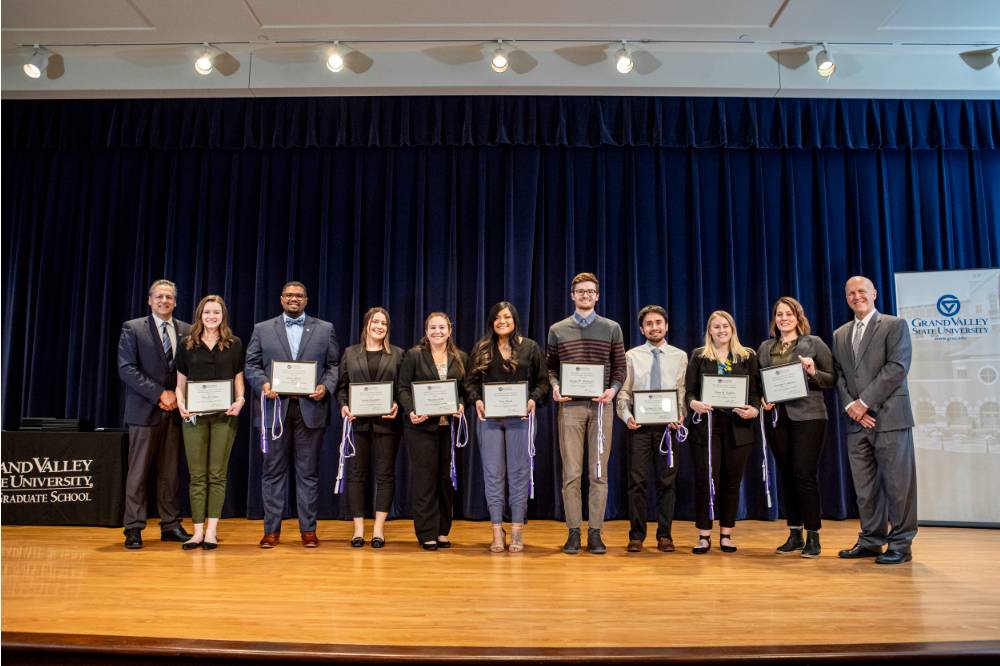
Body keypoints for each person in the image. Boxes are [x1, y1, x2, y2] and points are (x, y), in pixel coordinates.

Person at [245, 281, 339, 548]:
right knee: (272, 472)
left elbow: (333, 365)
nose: (294, 299)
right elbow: (251, 364)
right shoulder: (262, 329)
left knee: (308, 473)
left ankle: (308, 530)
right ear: (281, 299)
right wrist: (263, 384)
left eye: (299, 295)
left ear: (306, 300)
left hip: (311, 410)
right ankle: (271, 531)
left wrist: (326, 387)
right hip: (275, 410)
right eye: (289, 295)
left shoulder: (325, 329)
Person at [831, 276, 917, 565]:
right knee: (865, 488)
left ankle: (901, 544)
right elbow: (839, 374)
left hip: (890, 418)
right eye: (850, 293)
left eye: (862, 291)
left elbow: (897, 368)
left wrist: (864, 403)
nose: (856, 296)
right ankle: (871, 541)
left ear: (874, 294)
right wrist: (850, 406)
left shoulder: (894, 325)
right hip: (856, 422)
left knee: (899, 486)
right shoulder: (840, 334)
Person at [547, 272, 627, 555]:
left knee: (598, 473)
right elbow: (551, 367)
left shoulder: (611, 328)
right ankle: (573, 532)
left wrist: (613, 391)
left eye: (590, 291)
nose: (585, 295)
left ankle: (595, 532)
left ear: (597, 296)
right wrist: (555, 386)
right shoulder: (558, 329)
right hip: (570, 407)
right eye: (580, 291)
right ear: (572, 295)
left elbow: (620, 368)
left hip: (601, 407)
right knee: (571, 473)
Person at [465, 301, 548, 553]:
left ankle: (516, 530)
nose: (503, 321)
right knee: (493, 474)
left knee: (519, 473)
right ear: (492, 322)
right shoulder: (481, 348)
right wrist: (477, 400)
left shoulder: (530, 347)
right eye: (498, 317)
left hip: (520, 419)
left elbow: (542, 382)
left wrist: (533, 399)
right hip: (489, 420)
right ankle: (496, 529)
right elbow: (469, 383)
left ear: (515, 320)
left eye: (507, 317)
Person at [757, 297, 835, 558]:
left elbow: (831, 379)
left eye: (789, 314)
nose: (784, 318)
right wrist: (763, 398)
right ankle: (794, 533)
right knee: (787, 475)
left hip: (809, 417)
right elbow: (759, 383)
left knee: (804, 474)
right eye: (779, 314)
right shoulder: (766, 347)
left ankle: (813, 535)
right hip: (777, 418)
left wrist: (812, 372)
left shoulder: (814, 343)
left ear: (798, 317)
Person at [117, 279, 192, 549]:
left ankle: (170, 525)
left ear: (175, 301)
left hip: (175, 413)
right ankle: (133, 528)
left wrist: (178, 397)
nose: (164, 301)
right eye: (159, 296)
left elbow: (191, 369)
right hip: (144, 411)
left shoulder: (187, 330)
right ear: (150, 300)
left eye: (169, 297)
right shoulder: (133, 328)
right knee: (138, 473)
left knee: (170, 474)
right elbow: (126, 369)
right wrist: (160, 394)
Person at [684, 310, 760, 554]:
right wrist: (693, 404)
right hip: (707, 427)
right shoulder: (699, 356)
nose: (721, 330)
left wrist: (754, 410)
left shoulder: (747, 356)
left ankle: (726, 534)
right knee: (706, 480)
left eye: (725, 326)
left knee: (731, 482)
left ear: (732, 329)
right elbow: (689, 391)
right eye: (716, 327)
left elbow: (755, 393)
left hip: (739, 428)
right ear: (709, 330)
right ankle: (704, 535)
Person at [174, 295, 245, 550]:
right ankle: (197, 533)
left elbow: (238, 378)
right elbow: (180, 382)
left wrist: (241, 399)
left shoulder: (234, 344)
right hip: (194, 417)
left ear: (223, 315)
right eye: (207, 312)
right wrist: (180, 402)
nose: (211, 316)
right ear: (200, 315)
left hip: (225, 417)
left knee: (216, 475)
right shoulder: (186, 344)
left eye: (216, 312)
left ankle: (212, 532)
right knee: (197, 476)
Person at [615, 305, 687, 553]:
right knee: (637, 482)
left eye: (658, 322)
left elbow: (682, 392)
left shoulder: (680, 356)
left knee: (667, 482)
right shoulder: (631, 356)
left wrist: (680, 415)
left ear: (666, 326)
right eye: (649, 324)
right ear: (641, 329)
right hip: (639, 427)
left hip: (668, 428)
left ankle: (665, 535)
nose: (654, 327)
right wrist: (627, 417)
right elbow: (624, 393)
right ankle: (636, 535)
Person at [397, 312, 468, 551]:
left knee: (445, 481)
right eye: (433, 328)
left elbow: (464, 391)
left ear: (450, 330)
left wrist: (461, 404)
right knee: (425, 480)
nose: (437, 331)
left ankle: (442, 531)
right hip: (421, 427)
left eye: (442, 327)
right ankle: (426, 532)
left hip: (449, 429)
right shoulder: (414, 355)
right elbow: (403, 388)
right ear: (426, 331)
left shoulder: (460, 358)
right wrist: (411, 410)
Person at [335, 307, 404, 548]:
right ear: (367, 325)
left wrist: (397, 405)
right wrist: (344, 406)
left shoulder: (398, 354)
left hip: (387, 423)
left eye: (384, 323)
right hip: (358, 423)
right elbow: (341, 387)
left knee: (385, 474)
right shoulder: (350, 353)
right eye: (375, 322)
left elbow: (402, 388)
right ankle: (358, 529)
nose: (379, 326)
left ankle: (378, 529)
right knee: (356, 474)